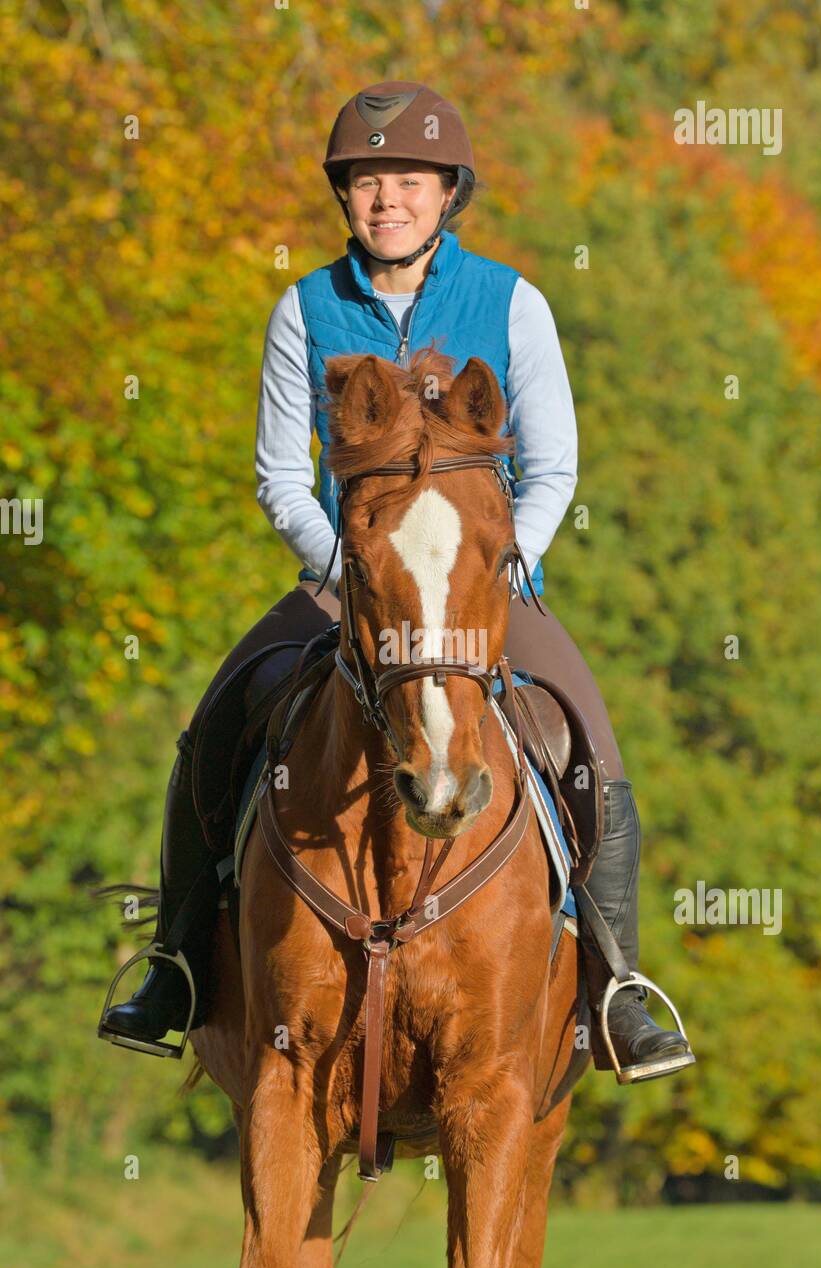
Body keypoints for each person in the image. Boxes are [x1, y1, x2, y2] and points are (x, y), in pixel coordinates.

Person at [99, 80, 694, 1085]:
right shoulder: (304, 308)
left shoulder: (513, 302)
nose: (387, 201)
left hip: (478, 586)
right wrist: (348, 568)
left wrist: (505, 568)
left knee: (585, 729)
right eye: (368, 182)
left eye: (407, 181)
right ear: (345, 197)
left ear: (447, 192)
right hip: (348, 580)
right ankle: (179, 962)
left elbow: (550, 467)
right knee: (215, 720)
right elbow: (280, 475)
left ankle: (616, 983)